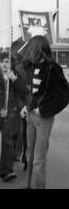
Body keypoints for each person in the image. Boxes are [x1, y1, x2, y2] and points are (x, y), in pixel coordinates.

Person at [22, 35, 69, 189]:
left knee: (38, 160)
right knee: (29, 155)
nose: (28, 52)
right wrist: (26, 106)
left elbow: (64, 95)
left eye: (31, 48)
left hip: (43, 118)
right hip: (29, 115)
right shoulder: (30, 66)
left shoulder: (52, 68)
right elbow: (31, 91)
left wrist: (43, 109)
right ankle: (29, 185)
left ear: (37, 49)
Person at [0, 52, 28, 182]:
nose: (4, 64)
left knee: (8, 143)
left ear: (11, 63)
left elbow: (25, 92)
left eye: (7, 61)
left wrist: (14, 79)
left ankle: (7, 171)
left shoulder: (16, 76)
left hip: (11, 115)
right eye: (2, 61)